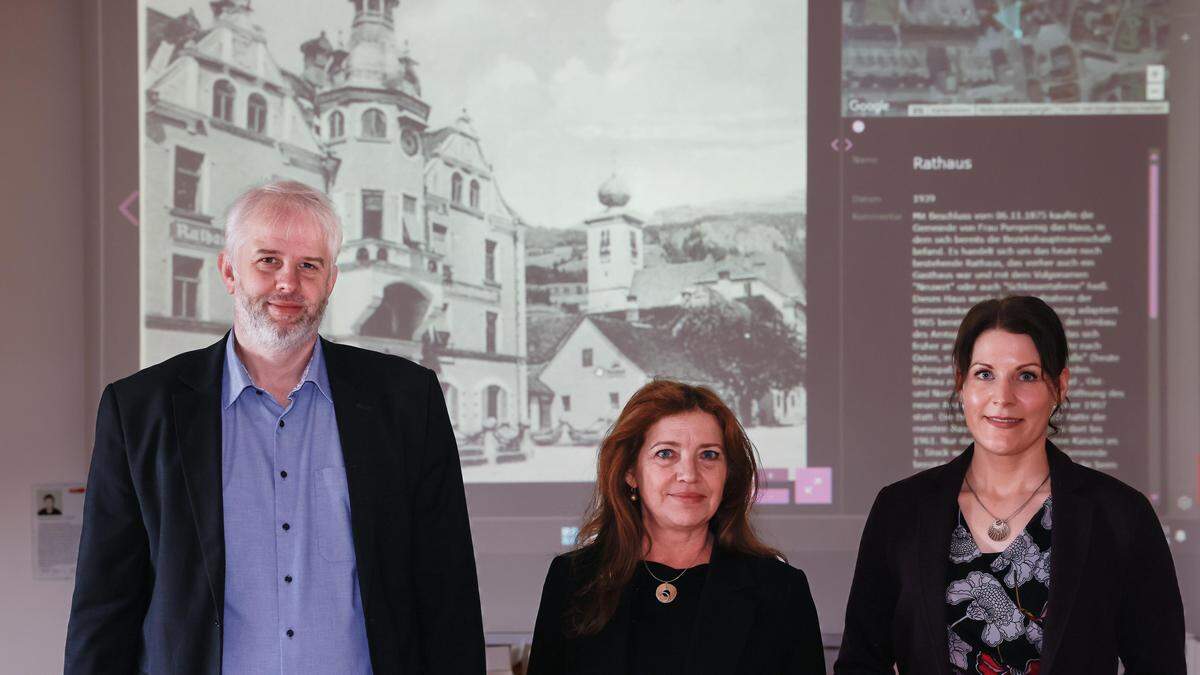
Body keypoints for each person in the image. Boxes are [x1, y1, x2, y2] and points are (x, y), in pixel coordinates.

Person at [64, 181, 484, 674]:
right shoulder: (138, 410)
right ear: (229, 270)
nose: (288, 283)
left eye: (309, 265)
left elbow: (446, 588)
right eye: (268, 260)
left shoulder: (408, 401)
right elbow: (105, 602)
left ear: (331, 280)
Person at [835, 295, 1185, 674]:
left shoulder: (1120, 515)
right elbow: (861, 663)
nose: (1002, 398)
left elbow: (1160, 665)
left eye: (1027, 375)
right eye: (984, 374)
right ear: (961, 384)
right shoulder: (900, 510)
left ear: (1059, 386)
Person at [527, 380, 825, 674]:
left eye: (709, 455)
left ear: (728, 475)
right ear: (631, 472)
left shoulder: (780, 590)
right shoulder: (573, 580)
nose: (688, 474)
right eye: (665, 454)